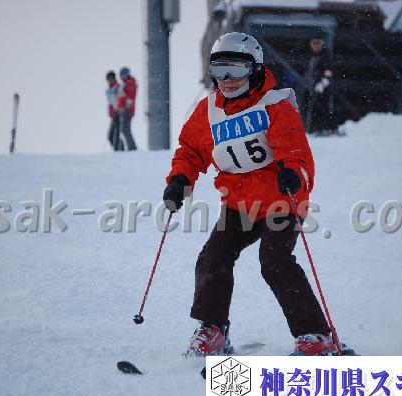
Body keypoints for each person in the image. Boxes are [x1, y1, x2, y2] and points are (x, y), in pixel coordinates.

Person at [162, 32, 350, 357]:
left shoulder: (274, 105)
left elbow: (296, 151)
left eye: (236, 70)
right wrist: (180, 179)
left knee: (275, 261)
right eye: (220, 70)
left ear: (255, 69)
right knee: (213, 257)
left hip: (279, 201)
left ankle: (315, 335)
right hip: (238, 204)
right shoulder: (208, 112)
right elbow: (190, 151)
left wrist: (293, 173)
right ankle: (213, 329)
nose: (228, 79)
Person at [300, 36, 334, 134]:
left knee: (321, 109)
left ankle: (325, 129)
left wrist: (322, 84)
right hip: (311, 87)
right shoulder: (312, 56)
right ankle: (311, 129)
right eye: (313, 43)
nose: (316, 45)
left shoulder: (325, 56)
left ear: (322, 44)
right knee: (307, 107)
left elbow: (329, 72)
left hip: (321, 88)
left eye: (318, 43)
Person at [116, 67, 137, 151]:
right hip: (124, 109)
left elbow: (130, 96)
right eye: (121, 74)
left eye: (124, 74)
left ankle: (132, 147)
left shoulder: (130, 83)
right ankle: (131, 147)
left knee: (125, 129)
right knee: (124, 129)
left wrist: (126, 106)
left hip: (127, 110)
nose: (122, 76)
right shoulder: (124, 84)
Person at [105, 71, 123, 151]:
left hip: (118, 114)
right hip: (113, 115)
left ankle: (119, 150)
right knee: (111, 136)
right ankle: (120, 150)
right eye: (108, 79)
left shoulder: (118, 88)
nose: (109, 81)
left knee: (116, 135)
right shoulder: (110, 89)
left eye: (110, 79)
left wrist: (118, 110)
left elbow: (120, 100)